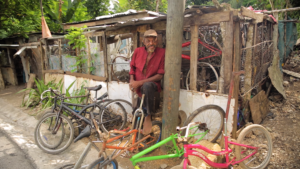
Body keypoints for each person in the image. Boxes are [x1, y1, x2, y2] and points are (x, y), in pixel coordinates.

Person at [129, 29, 165, 135]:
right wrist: (132, 81)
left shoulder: (162, 52)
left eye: (153, 41)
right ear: (143, 41)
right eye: (148, 41)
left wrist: (139, 83)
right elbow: (132, 68)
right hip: (138, 88)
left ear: (157, 41)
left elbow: (160, 75)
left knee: (147, 86)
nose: (151, 43)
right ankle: (138, 138)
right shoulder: (137, 51)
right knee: (137, 111)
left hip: (152, 86)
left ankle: (149, 116)